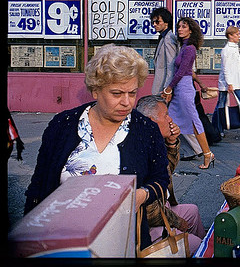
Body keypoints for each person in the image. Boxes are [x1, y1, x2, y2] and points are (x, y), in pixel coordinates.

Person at [23, 44, 169, 250]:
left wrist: (142, 195)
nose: (127, 102)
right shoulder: (62, 125)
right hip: (60, 243)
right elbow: (38, 186)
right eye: (117, 93)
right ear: (95, 90)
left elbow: (161, 179)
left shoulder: (147, 130)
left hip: (122, 243)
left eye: (132, 93)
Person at [136, 95, 205, 251]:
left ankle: (202, 252)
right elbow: (148, 211)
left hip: (162, 206)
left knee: (192, 211)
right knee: (193, 243)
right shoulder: (139, 148)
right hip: (146, 223)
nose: (170, 119)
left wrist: (172, 142)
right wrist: (177, 221)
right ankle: (196, 249)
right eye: (165, 115)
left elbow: (167, 172)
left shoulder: (154, 140)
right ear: (151, 120)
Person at [163, 17, 214, 170]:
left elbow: (183, 72)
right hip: (180, 88)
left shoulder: (190, 48)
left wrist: (169, 88)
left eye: (183, 26)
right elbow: (188, 71)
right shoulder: (184, 46)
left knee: (194, 123)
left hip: (183, 88)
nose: (179, 29)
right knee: (168, 120)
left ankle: (207, 154)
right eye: (178, 26)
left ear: (190, 30)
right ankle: (162, 155)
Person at [150, 7, 179, 96]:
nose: (154, 24)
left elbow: (171, 65)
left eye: (157, 22)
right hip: (161, 85)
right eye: (153, 22)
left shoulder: (168, 39)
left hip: (163, 87)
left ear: (166, 23)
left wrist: (167, 88)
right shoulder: (163, 37)